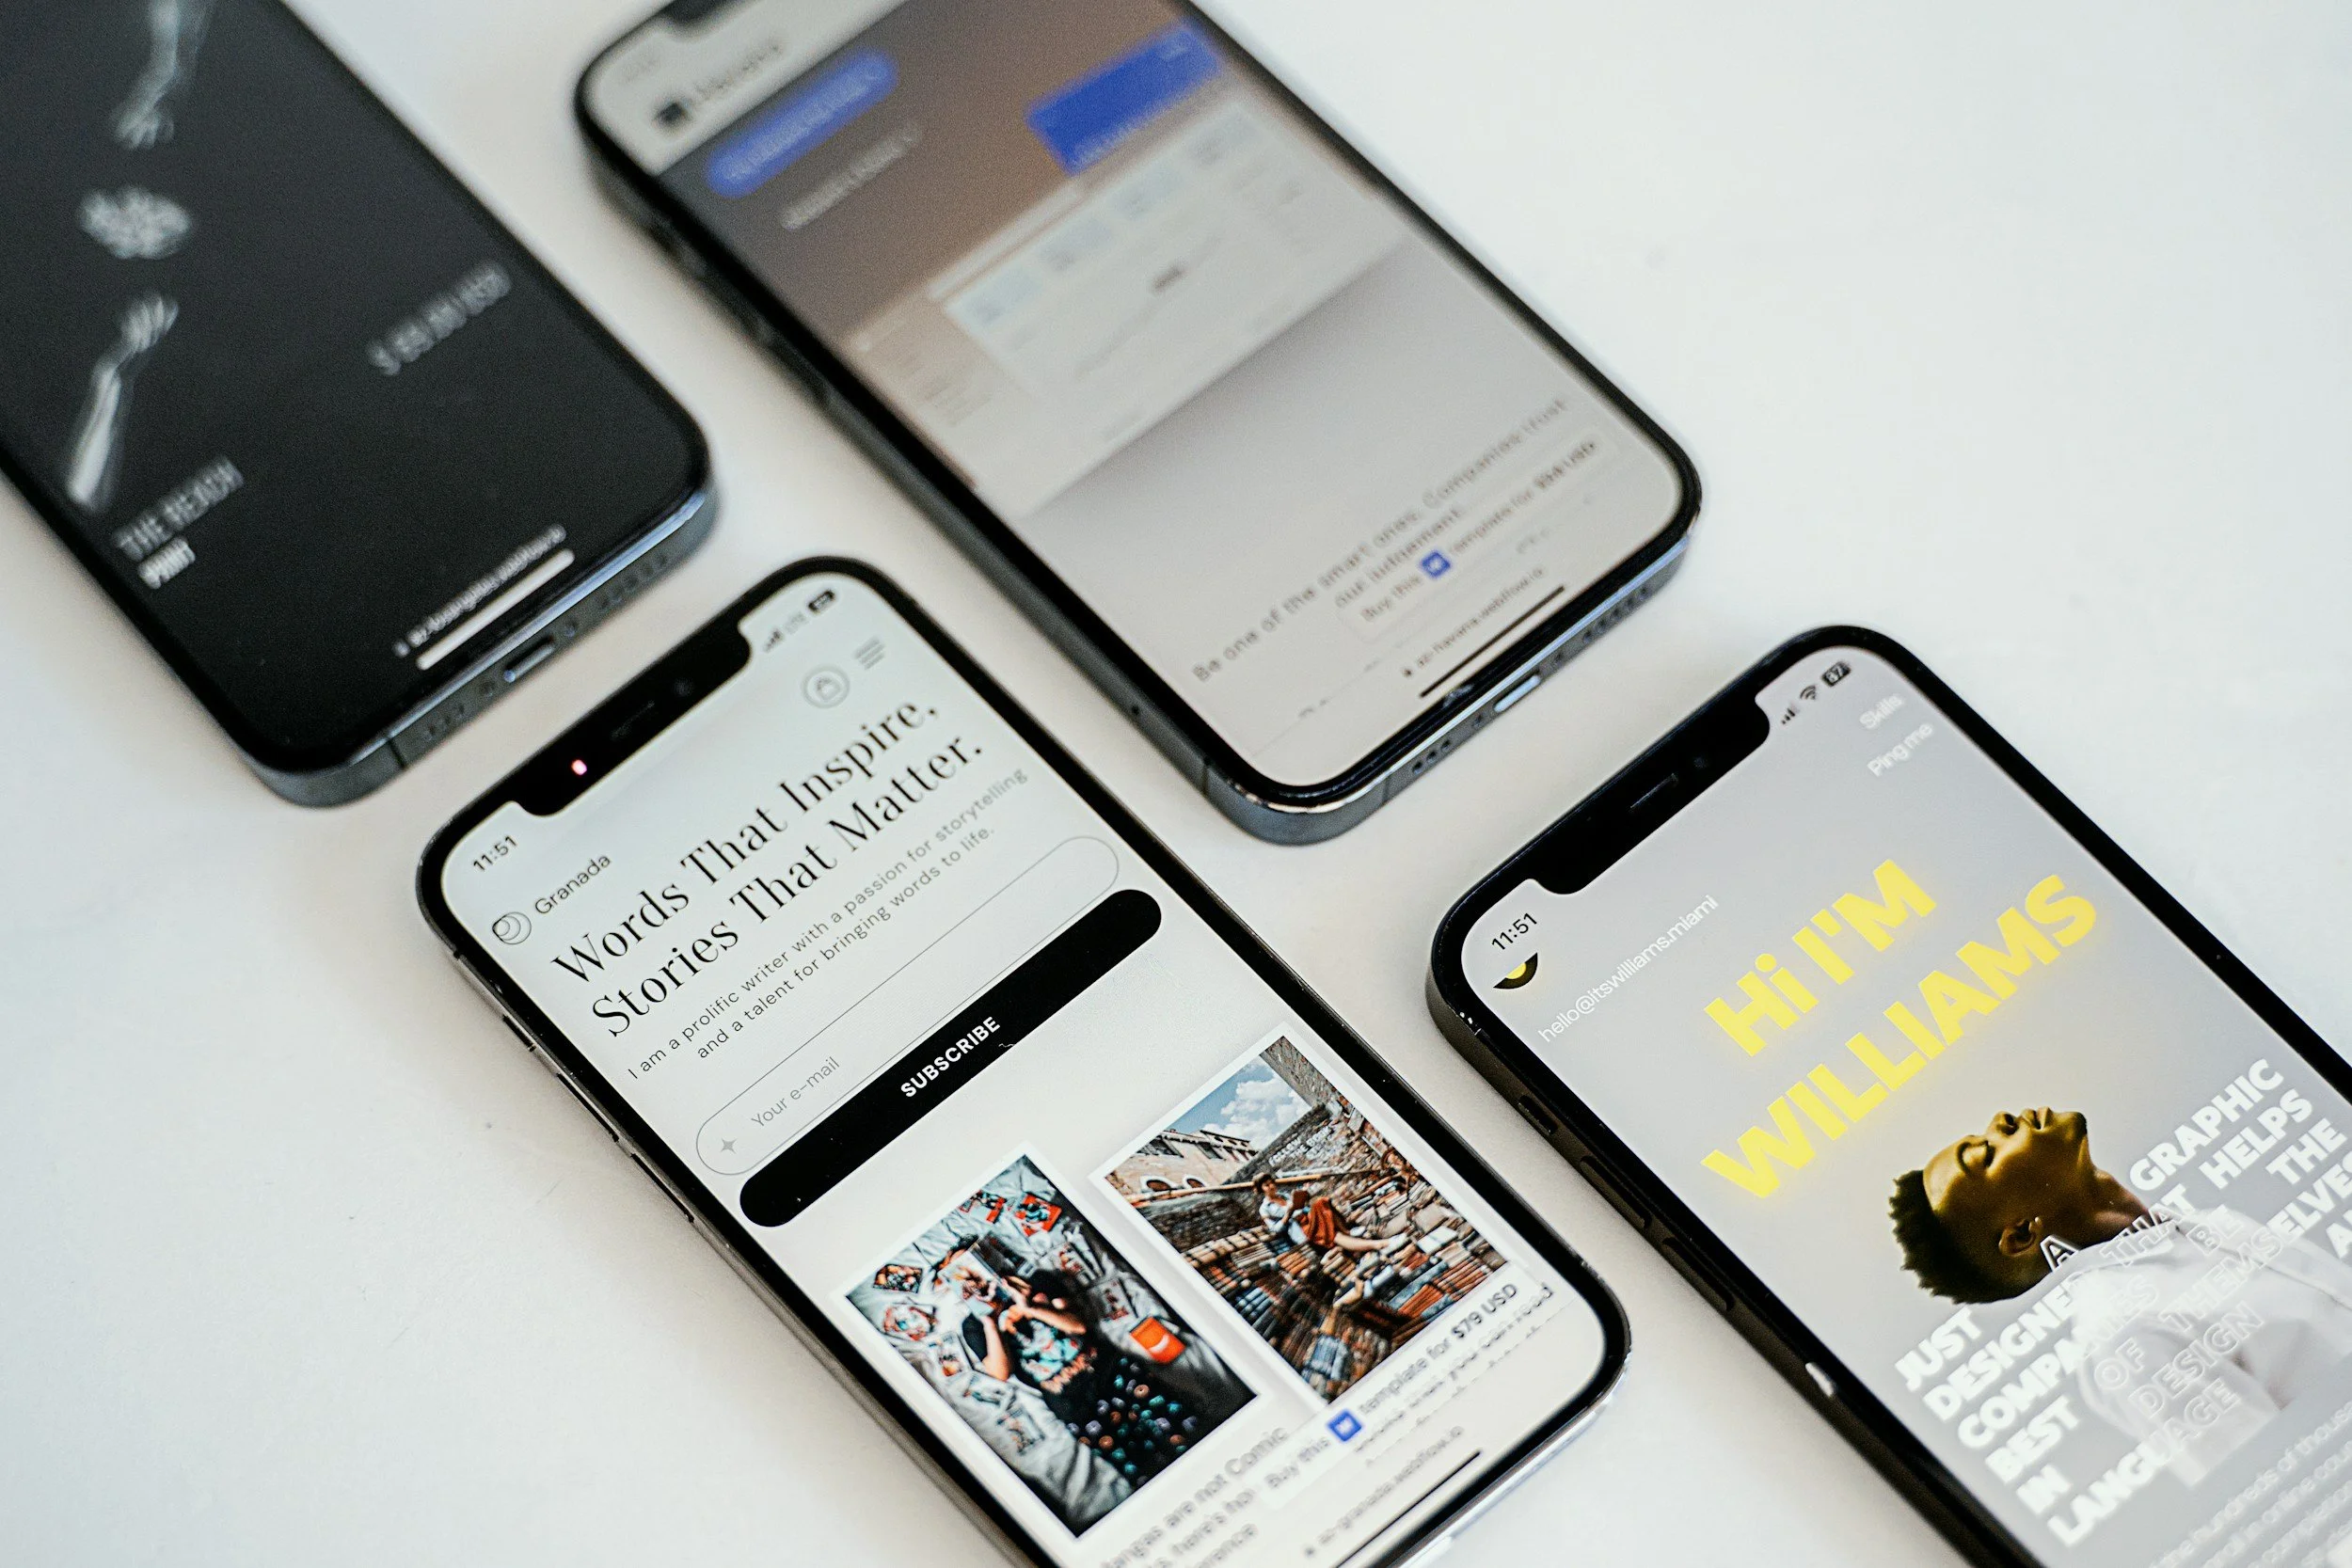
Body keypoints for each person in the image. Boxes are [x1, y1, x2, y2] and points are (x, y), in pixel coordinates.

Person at [1892, 1106, 2352, 1483]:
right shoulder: (2123, 1336)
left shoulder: (2200, 1224)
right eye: (1986, 1154)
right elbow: (2278, 1484)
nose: (2001, 1120)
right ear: (2023, 1235)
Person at [959, 1269, 1206, 1491]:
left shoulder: (1038, 1282)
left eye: (978, 1276)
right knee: (1145, 1472)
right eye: (967, 1285)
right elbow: (1000, 1372)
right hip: (1077, 1408)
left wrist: (1029, 1307)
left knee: (1185, 1429)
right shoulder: (974, 1326)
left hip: (1115, 1374)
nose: (978, 1287)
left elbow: (1077, 1326)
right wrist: (989, 1320)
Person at [1255, 1175, 1411, 1258]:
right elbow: (1276, 1229)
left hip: (1309, 1220)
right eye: (1267, 1185)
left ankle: (1347, 1231)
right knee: (1331, 1231)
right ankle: (1383, 1244)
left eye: (1272, 1182)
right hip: (1302, 1230)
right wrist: (1289, 1213)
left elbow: (1302, 1207)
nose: (1271, 1186)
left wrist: (1302, 1201)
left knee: (1322, 1202)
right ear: (1261, 1189)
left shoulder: (1283, 1195)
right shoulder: (1265, 1209)